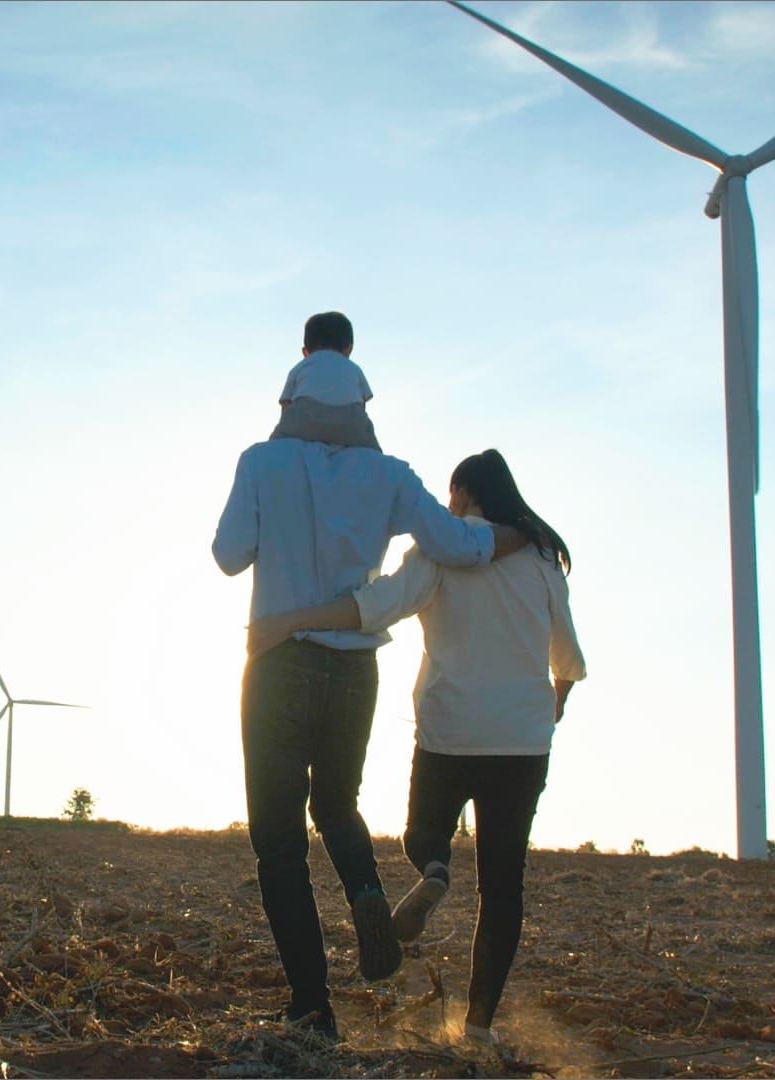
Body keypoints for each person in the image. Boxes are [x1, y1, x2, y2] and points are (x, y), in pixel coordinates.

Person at [211, 312, 528, 1043]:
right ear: (359, 381)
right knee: (338, 804)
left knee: (279, 840)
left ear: (297, 367)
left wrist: (277, 528)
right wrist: (521, 534)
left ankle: (313, 1008)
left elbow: (229, 556)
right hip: (355, 670)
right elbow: (457, 543)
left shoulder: (260, 461)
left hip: (280, 665)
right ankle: (367, 891)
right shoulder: (391, 475)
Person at [247, 448, 586, 1048]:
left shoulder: (437, 551)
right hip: (523, 740)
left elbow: (372, 608)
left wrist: (290, 620)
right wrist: (554, 700)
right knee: (504, 886)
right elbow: (567, 655)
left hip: (451, 730)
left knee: (423, 831)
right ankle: (479, 1027)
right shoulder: (541, 557)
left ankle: (434, 870)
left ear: (459, 494)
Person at [269, 315, 381, 450]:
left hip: (305, 417)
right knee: (373, 450)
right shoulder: (354, 368)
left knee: (274, 445)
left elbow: (286, 402)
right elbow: (362, 402)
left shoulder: (299, 367)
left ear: (305, 352)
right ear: (349, 349)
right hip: (349, 420)